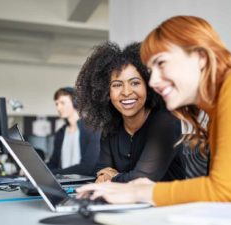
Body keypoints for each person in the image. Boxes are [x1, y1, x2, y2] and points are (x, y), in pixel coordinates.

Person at [76, 16, 231, 211]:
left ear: (201, 57)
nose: (155, 81)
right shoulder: (219, 105)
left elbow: (225, 192)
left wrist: (138, 190)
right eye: (151, 70)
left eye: (161, 63)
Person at [75, 42, 186, 183]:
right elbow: (101, 170)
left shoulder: (166, 123)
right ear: (106, 91)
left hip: (168, 204)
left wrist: (112, 177)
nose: (126, 92)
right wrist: (105, 175)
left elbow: (142, 179)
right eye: (117, 85)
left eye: (135, 83)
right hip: (126, 203)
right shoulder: (111, 128)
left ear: (149, 86)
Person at [47, 87, 101, 176]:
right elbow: (54, 163)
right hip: (63, 182)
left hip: (83, 184)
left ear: (75, 102)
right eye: (56, 104)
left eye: (62, 103)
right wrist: (35, 171)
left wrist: (53, 173)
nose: (58, 107)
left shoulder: (92, 129)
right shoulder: (60, 132)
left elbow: (87, 167)